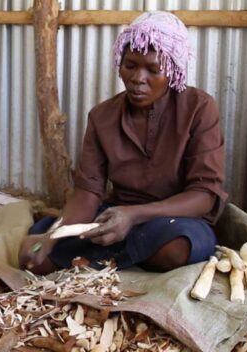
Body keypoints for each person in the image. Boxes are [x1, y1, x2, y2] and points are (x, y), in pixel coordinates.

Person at [19, 11, 228, 275]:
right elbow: (88, 192)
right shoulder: (102, 116)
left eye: (153, 69)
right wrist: (53, 236)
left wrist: (134, 215)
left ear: (174, 70)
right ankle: (125, 256)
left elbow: (204, 195)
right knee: (39, 248)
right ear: (120, 64)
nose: (139, 78)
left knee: (179, 246)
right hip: (115, 216)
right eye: (130, 65)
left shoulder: (199, 108)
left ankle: (111, 257)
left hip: (172, 218)